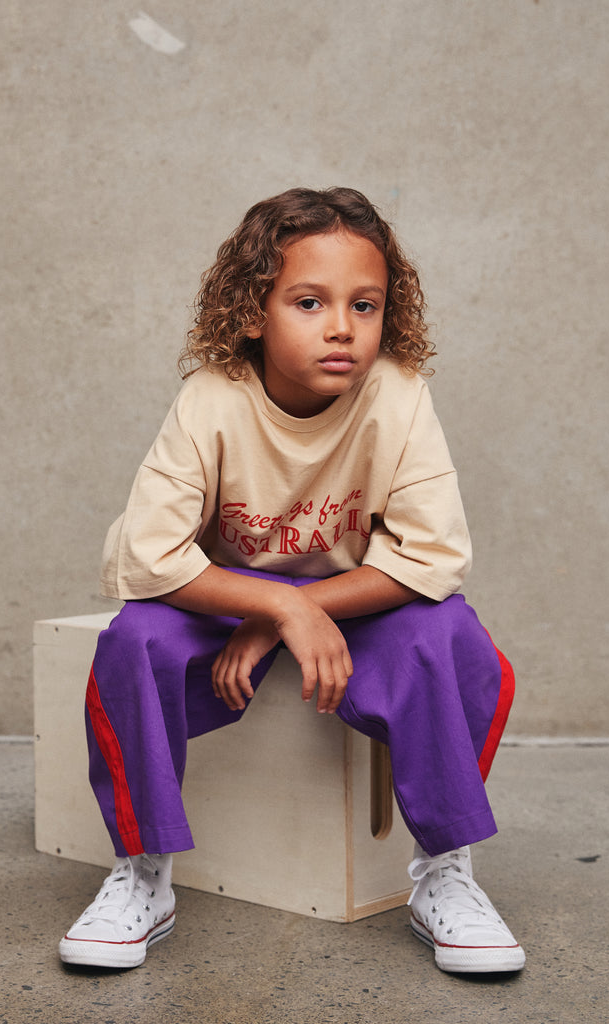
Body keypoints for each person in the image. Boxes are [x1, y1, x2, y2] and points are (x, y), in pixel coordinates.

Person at [58, 186, 525, 975]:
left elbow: (433, 557)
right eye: (310, 302)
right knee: (134, 640)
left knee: (450, 636)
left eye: (365, 305)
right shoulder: (212, 398)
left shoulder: (399, 395)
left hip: (357, 603)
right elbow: (148, 555)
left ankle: (444, 871)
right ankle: (142, 873)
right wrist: (273, 605)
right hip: (225, 601)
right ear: (252, 311)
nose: (342, 327)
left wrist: (296, 612)